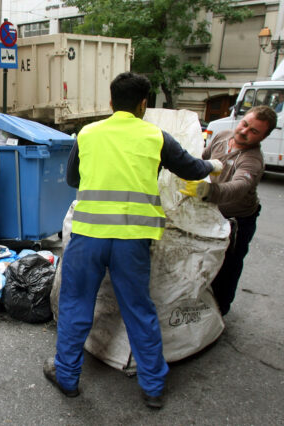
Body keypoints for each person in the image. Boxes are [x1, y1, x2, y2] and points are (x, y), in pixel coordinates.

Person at [46, 72, 223, 410]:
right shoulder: (156, 137)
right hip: (133, 241)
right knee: (139, 310)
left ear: (111, 102)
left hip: (88, 237)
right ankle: (153, 387)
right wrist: (213, 164)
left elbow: (72, 179)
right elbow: (192, 169)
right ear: (144, 104)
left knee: (76, 305)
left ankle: (67, 378)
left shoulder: (88, 133)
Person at [180, 105, 276, 316]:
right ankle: (200, 303)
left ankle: (220, 310)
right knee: (204, 259)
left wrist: (208, 190)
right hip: (212, 212)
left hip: (237, 220)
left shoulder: (252, 160)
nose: (244, 132)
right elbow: (201, 160)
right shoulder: (223, 136)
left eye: (254, 131)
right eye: (245, 124)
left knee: (228, 266)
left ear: (263, 137)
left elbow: (239, 187)